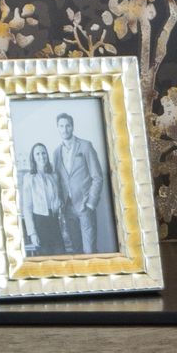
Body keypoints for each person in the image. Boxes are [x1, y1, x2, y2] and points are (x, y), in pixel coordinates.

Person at [51, 109, 108, 255]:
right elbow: (58, 181)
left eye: (68, 125)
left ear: (72, 126)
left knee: (89, 250)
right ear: (57, 128)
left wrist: (90, 204)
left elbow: (97, 177)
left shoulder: (85, 146)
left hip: (84, 207)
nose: (65, 129)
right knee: (76, 250)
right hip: (67, 208)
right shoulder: (56, 153)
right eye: (61, 126)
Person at [19, 139, 65, 256]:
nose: (41, 156)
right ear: (33, 157)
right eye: (37, 154)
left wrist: (59, 203)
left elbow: (59, 197)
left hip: (54, 221)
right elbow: (27, 208)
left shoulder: (53, 176)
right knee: (46, 260)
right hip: (40, 223)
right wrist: (32, 233)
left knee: (61, 256)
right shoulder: (29, 178)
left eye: (43, 153)